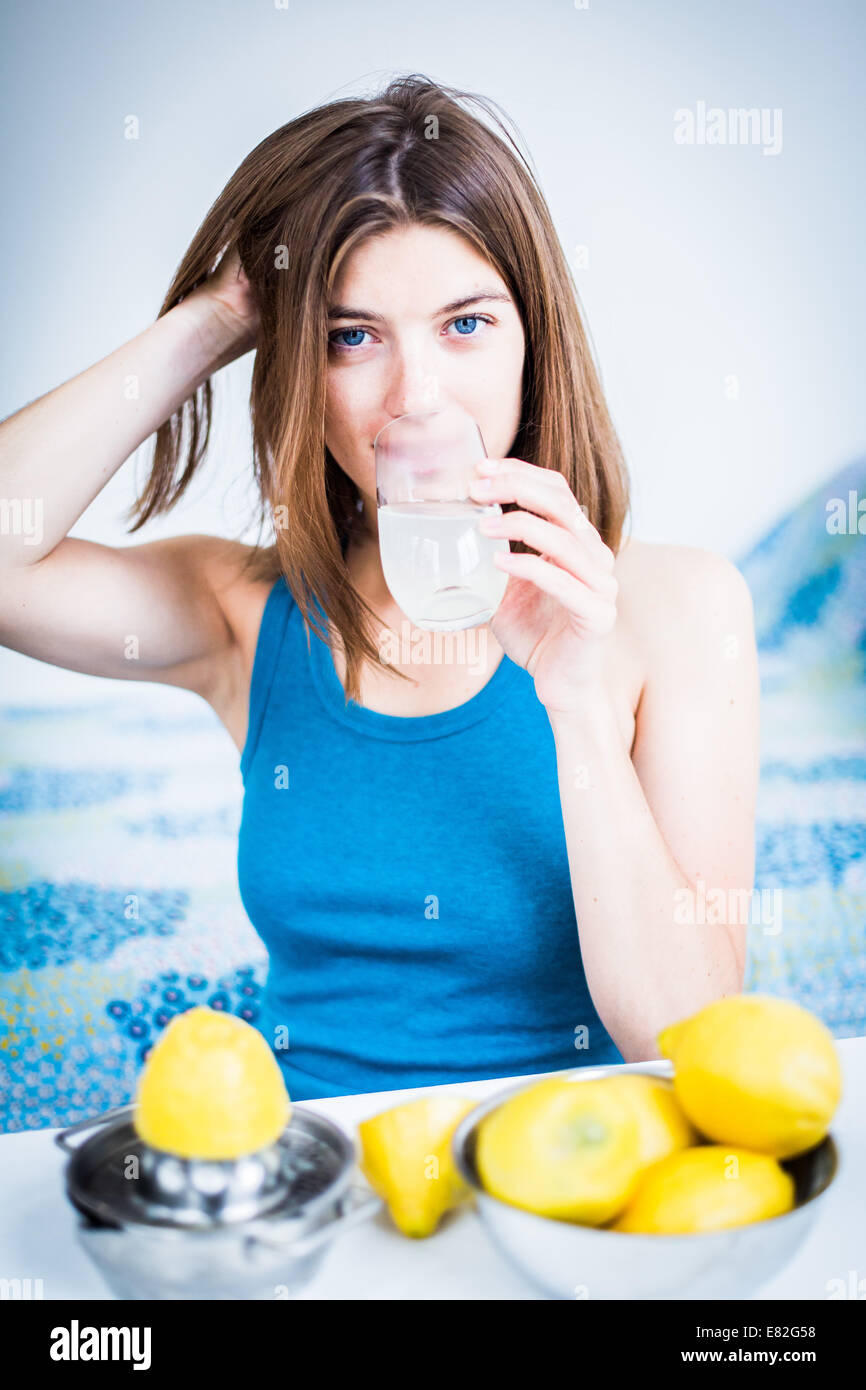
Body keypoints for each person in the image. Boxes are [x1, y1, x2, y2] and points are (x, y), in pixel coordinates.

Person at [0, 74, 759, 1101]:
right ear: (296, 371)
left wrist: (575, 704)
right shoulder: (244, 613)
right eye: (350, 337)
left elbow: (686, 1043)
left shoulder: (678, 608)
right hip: (318, 1198)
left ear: (534, 341)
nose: (415, 398)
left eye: (464, 325)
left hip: (558, 1196)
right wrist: (221, 313)